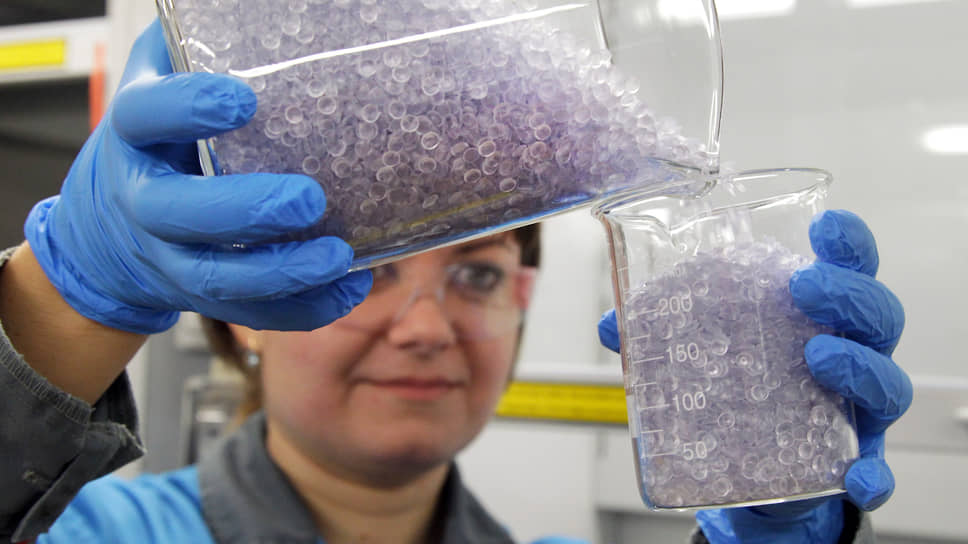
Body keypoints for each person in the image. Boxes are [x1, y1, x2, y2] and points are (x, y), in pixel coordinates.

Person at [0, 19, 910, 544]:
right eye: (370, 270)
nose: (427, 328)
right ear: (240, 312)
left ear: (521, 304)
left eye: (476, 273)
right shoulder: (95, 532)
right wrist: (58, 295)